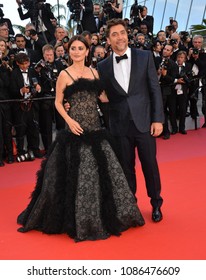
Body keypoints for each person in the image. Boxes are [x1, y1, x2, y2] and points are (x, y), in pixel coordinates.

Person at [17, 35, 145, 242]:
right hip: (74, 130)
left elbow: (103, 97)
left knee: (108, 173)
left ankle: (107, 216)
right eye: (73, 49)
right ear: (69, 52)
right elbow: (58, 102)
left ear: (87, 51)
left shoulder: (95, 72)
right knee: (77, 175)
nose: (76, 52)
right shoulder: (64, 74)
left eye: (80, 48)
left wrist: (129, 93)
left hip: (96, 129)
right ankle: (81, 220)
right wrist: (69, 120)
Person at [97, 18, 164, 222]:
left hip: (144, 122)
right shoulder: (102, 66)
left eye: (122, 33)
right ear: (108, 40)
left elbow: (154, 89)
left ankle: (156, 203)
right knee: (126, 168)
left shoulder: (145, 57)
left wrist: (158, 119)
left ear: (128, 34)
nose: (120, 37)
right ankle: (131, 205)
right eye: (114, 34)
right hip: (119, 125)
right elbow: (103, 95)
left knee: (150, 166)